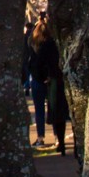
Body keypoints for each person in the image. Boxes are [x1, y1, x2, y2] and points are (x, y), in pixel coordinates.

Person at [25, 18, 62, 150]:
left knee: (39, 110)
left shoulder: (32, 44)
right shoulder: (52, 44)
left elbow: (29, 63)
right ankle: (57, 136)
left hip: (36, 80)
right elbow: (54, 62)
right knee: (53, 108)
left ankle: (40, 137)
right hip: (50, 79)